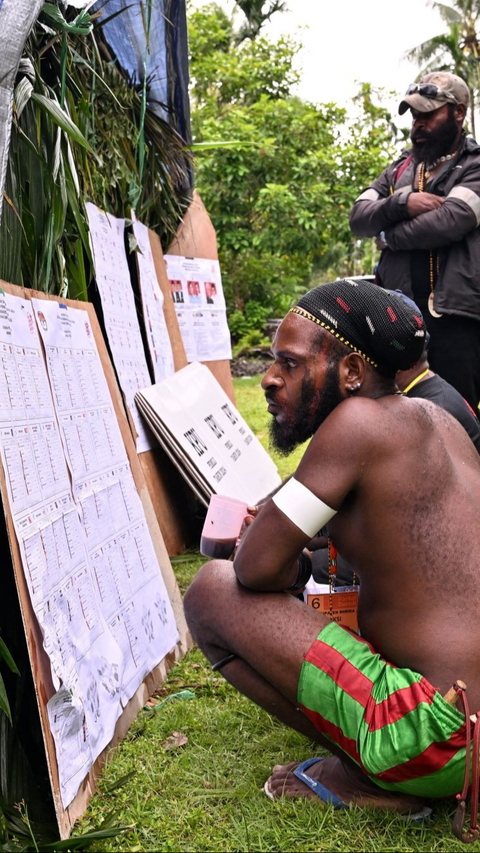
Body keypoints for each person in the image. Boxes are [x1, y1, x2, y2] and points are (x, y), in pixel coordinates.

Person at [184, 279, 480, 842]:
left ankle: (372, 779)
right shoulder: (440, 422)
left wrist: (281, 555)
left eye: (289, 364)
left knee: (211, 592)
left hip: (439, 737)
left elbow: (252, 570)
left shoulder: (355, 425)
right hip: (472, 719)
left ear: (350, 373)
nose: (270, 380)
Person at [349, 71, 480, 411]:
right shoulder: (398, 170)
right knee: (397, 412)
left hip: (455, 319)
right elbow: (359, 217)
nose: (418, 123)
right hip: (399, 316)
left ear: (459, 112)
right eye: (415, 116)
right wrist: (401, 203)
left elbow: (450, 221)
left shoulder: (475, 165)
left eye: (428, 114)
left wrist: (387, 235)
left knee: (455, 415)